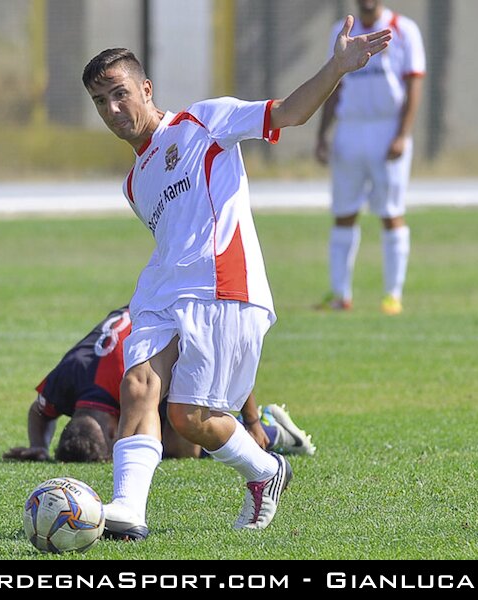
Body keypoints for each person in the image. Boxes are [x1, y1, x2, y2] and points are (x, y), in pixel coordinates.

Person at [81, 18, 390, 539]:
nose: (113, 110)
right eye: (100, 101)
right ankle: (127, 509)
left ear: (146, 89)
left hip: (224, 287)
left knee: (189, 418)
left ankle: (267, 471)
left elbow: (288, 114)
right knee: (137, 386)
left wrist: (337, 67)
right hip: (162, 289)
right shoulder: (135, 183)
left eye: (120, 94)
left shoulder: (206, 122)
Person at [2, 306, 316, 462]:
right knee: (163, 441)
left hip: (170, 322)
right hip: (145, 321)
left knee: (183, 442)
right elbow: (39, 412)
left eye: (113, 448)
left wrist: (251, 421)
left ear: (113, 431)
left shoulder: (133, 375)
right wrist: (39, 447)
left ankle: (272, 427)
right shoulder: (67, 382)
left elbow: (221, 359)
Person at [315, 0, 426, 315]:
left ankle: (393, 294)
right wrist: (323, 135)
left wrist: (402, 134)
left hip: (386, 128)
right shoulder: (341, 30)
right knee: (344, 212)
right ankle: (340, 295)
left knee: (391, 213)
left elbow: (414, 83)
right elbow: (332, 85)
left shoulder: (405, 30)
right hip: (350, 129)